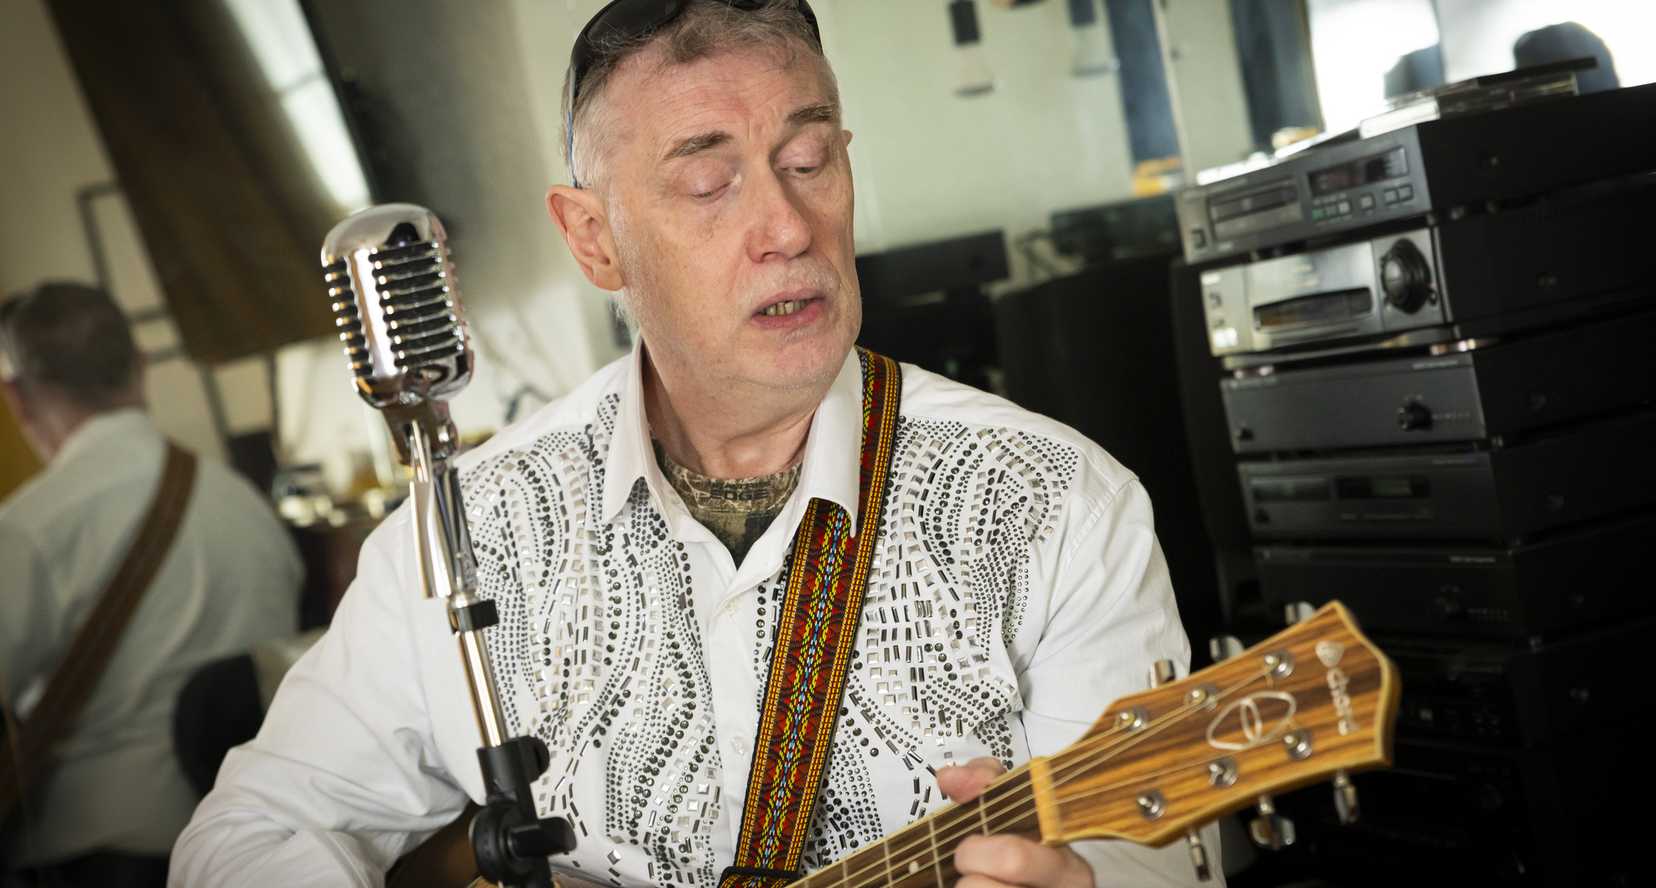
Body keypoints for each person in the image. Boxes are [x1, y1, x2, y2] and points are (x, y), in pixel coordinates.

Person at [173, 2, 1219, 885]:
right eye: (709, 184)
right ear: (593, 238)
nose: (788, 225)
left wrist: (1084, 880)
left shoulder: (1054, 500)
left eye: (808, 160)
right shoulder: (467, 527)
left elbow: (1167, 855)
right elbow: (250, 832)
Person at [0, 282, 303, 887]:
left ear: (16, 398)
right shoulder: (244, 505)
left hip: (93, 858)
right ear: (140, 366)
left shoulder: (30, 530)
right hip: (253, 849)